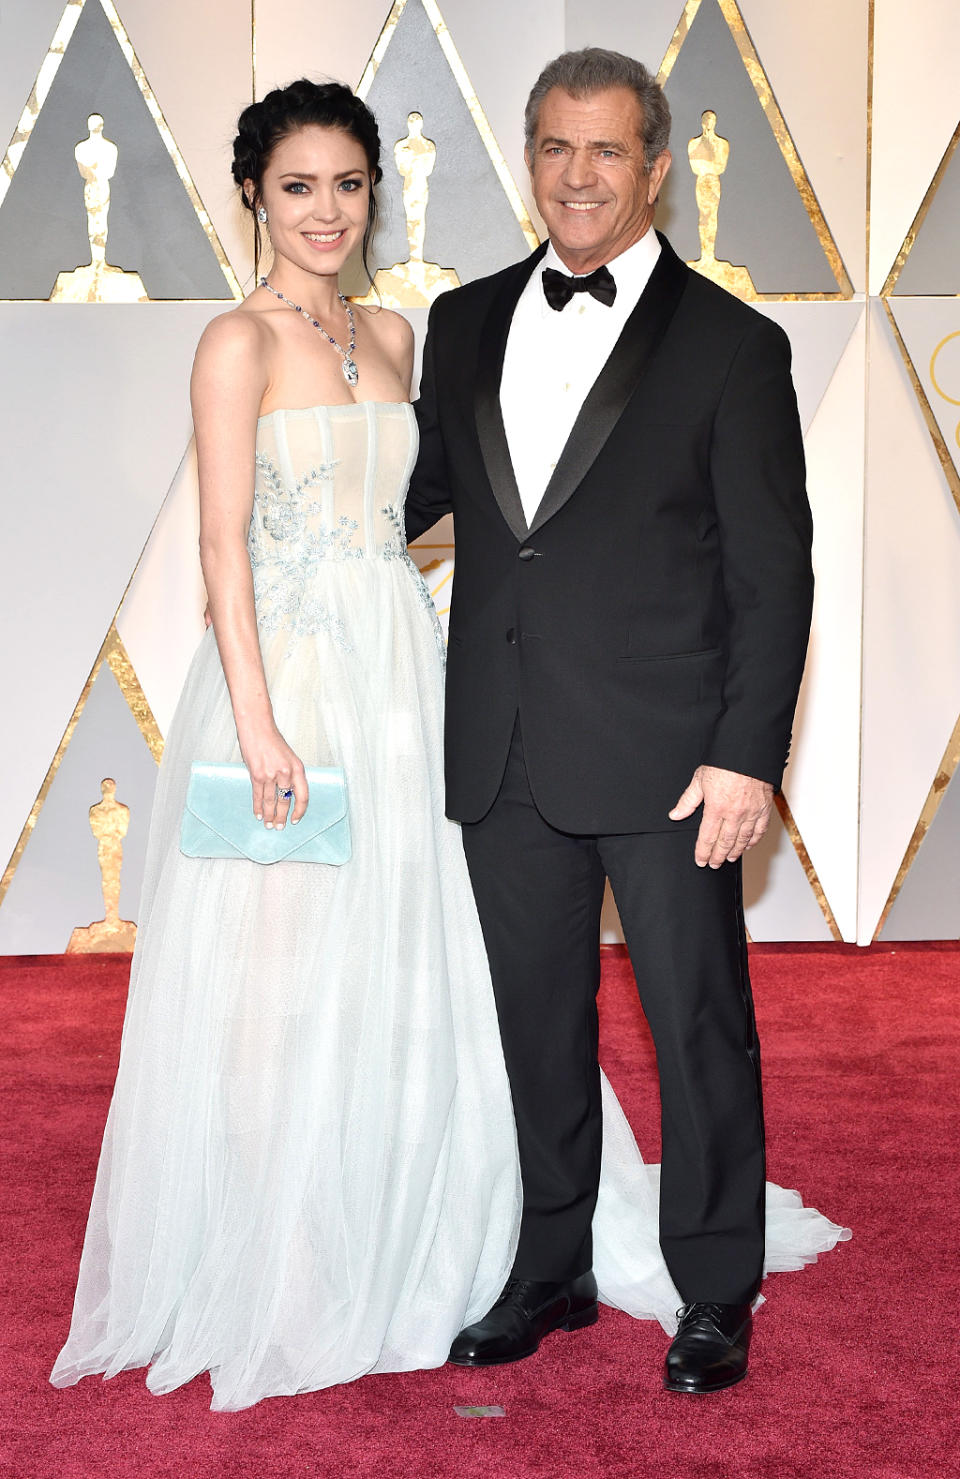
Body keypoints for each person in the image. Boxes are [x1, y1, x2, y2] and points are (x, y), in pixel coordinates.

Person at [49, 79, 523, 1411]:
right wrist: (259, 725)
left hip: (397, 674)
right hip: (293, 685)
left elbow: (407, 511)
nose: (327, 210)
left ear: (376, 194)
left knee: (407, 949)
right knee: (272, 973)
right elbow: (220, 551)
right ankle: (289, 1256)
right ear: (254, 194)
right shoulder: (235, 344)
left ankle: (408, 1211)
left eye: (350, 184)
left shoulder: (393, 327)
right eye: (300, 185)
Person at [405, 47, 834, 1393]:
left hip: (670, 759)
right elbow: (416, 504)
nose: (578, 177)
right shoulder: (462, 321)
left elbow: (775, 571)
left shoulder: (732, 345)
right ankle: (550, 1267)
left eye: (606, 151)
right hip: (505, 744)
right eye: (553, 148)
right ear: (526, 158)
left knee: (697, 1019)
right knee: (536, 1021)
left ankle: (715, 1287)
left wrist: (747, 755)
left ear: (656, 166)